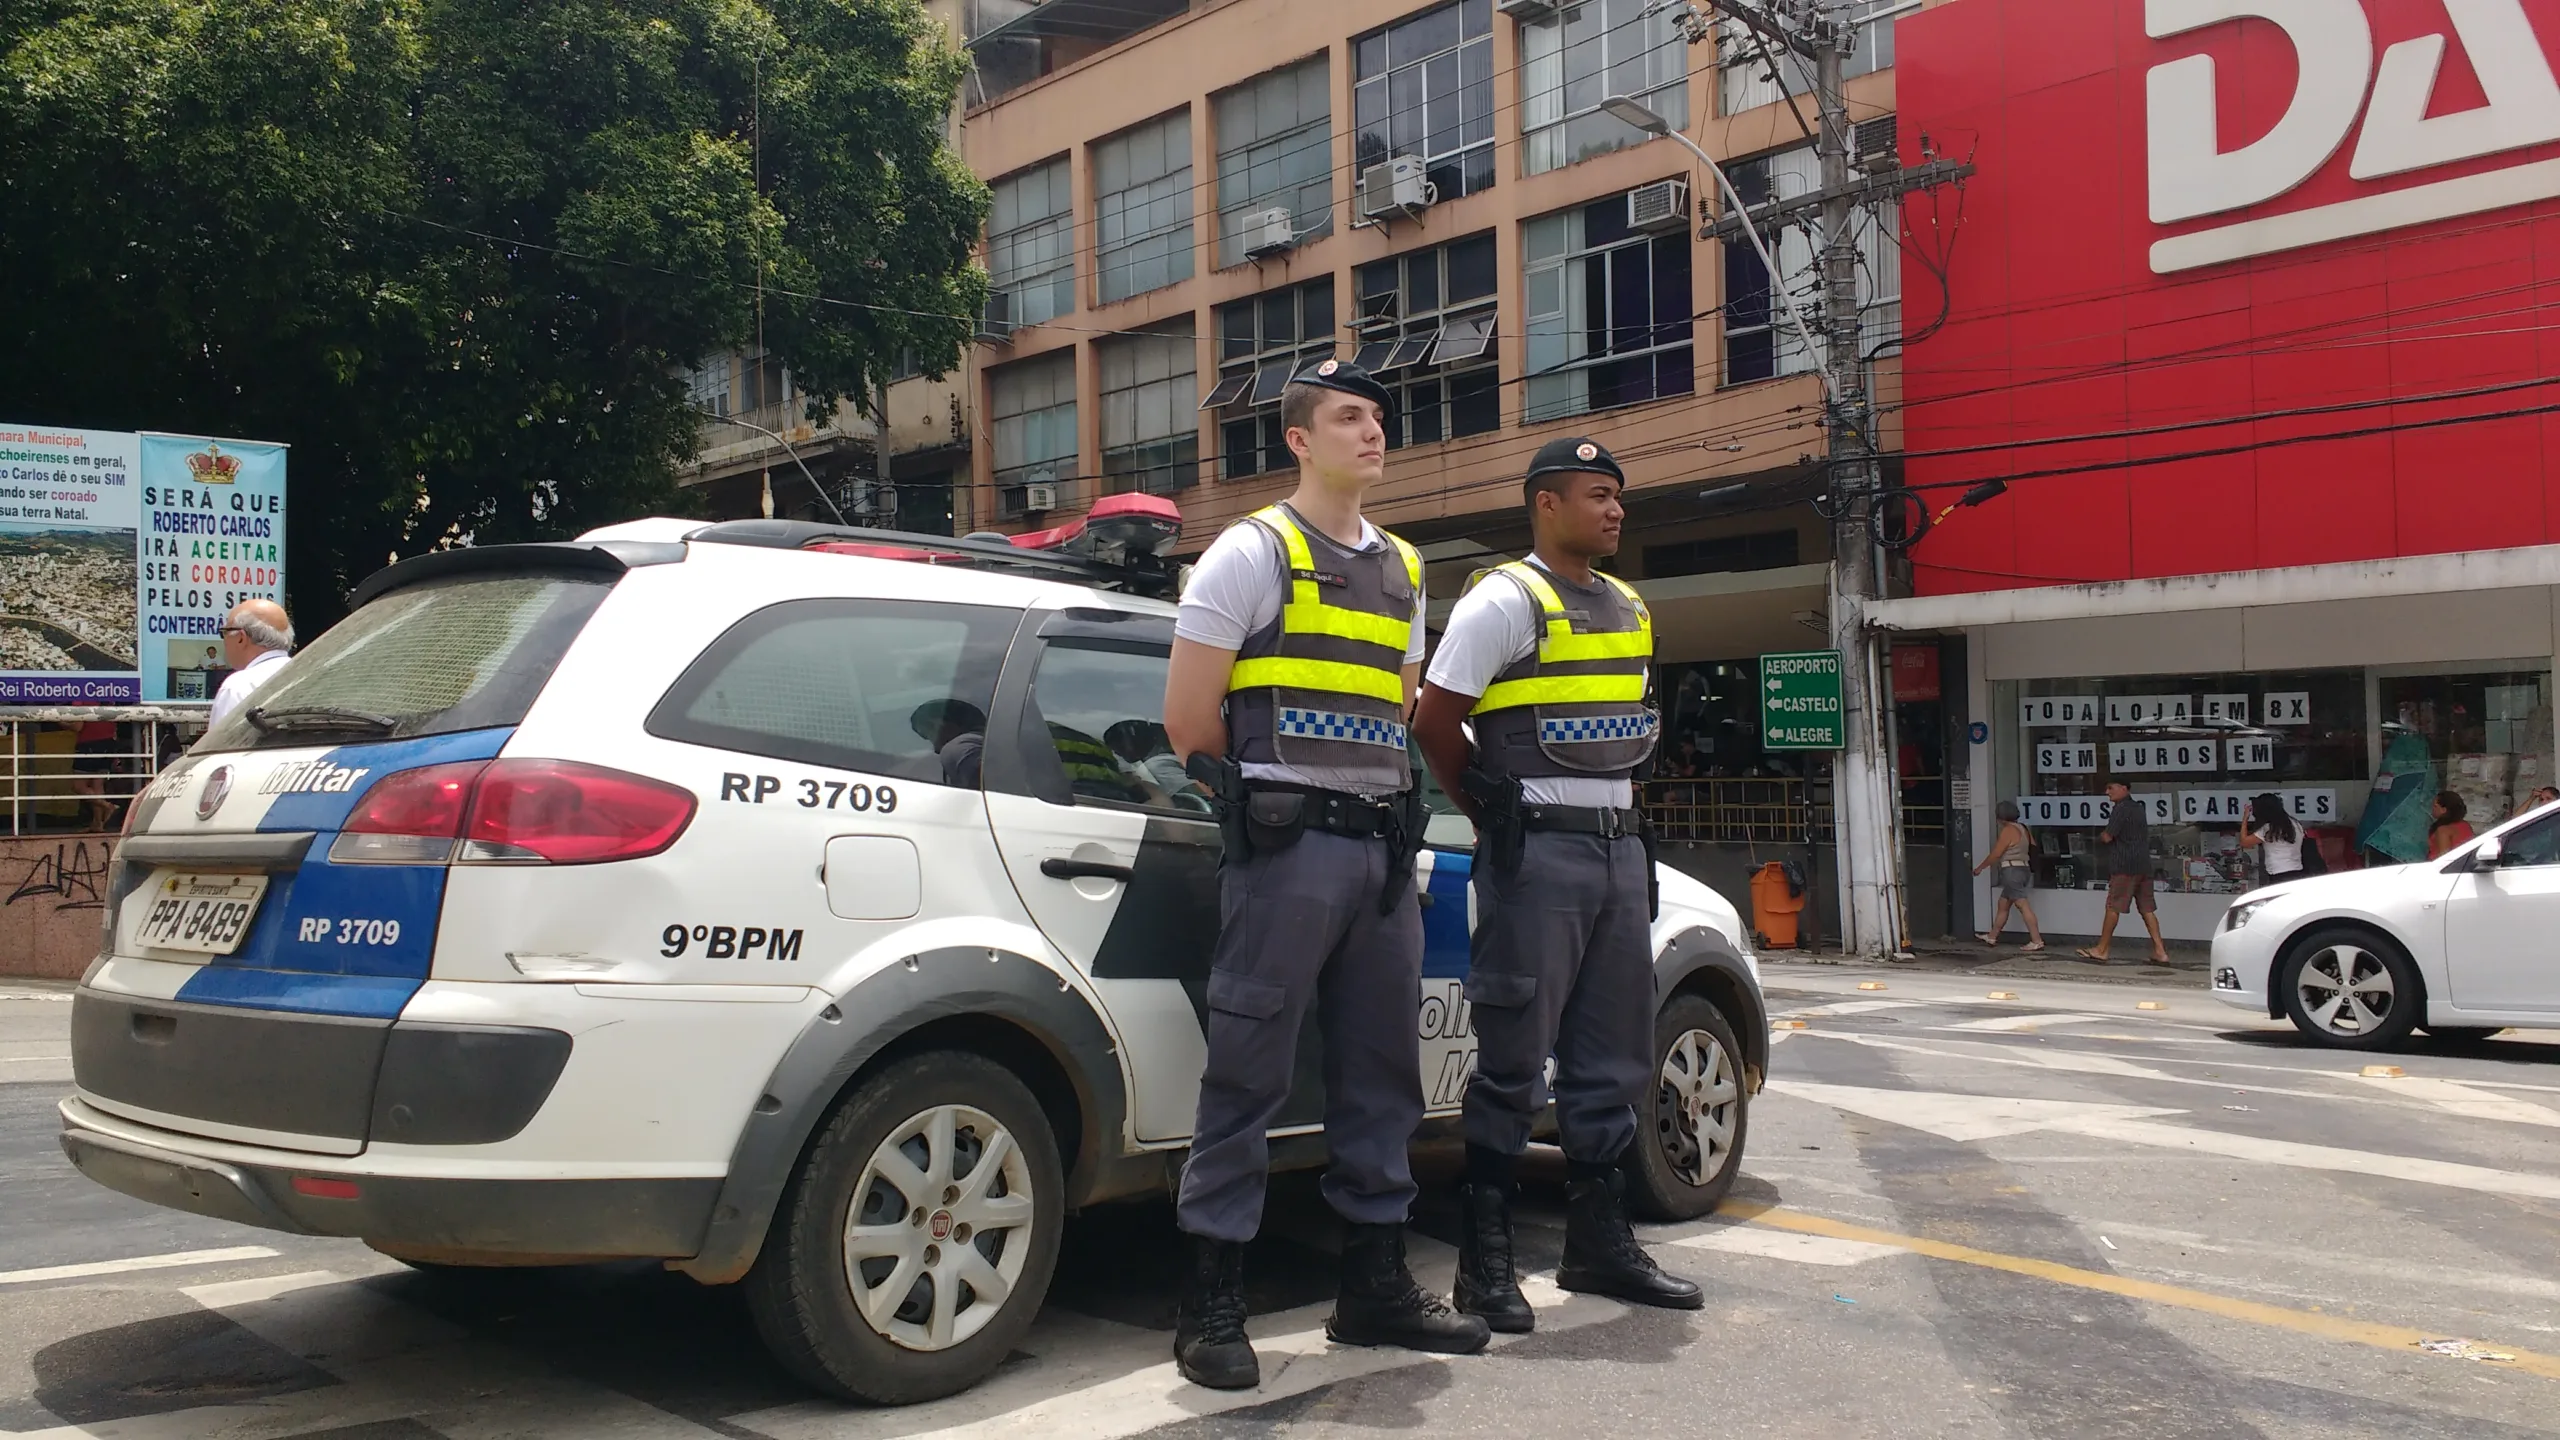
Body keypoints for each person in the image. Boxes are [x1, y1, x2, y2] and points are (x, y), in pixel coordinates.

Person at [1160, 357, 1487, 1390]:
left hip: (1381, 853)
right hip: (1287, 848)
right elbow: (1187, 724)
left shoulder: (1403, 567)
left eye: (1379, 418)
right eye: (1349, 417)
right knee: (1247, 1071)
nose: (1372, 432)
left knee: (1382, 1076)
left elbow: (1393, 710)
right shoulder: (1248, 554)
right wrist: (1270, 804)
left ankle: (1374, 1288)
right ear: (1297, 439)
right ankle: (1210, 1304)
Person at [1413, 437, 1704, 1335]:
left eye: (1618, 496)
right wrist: (1491, 809)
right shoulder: (1505, 601)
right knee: (1511, 1056)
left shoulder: (1629, 604)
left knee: (1612, 1056)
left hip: (1619, 852)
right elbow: (1434, 721)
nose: (1615, 510)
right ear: (1546, 503)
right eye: (1596, 495)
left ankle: (1597, 1243)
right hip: (1536, 853)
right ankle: (1485, 1260)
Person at [2081, 781, 2169, 965]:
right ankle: (2160, 951)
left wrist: (2095, 838)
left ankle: (2101, 949)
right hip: (2143, 864)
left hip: (2124, 865)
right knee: (2147, 909)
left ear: (2124, 788)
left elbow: (2108, 836)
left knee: (2113, 906)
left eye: (2110, 788)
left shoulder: (2120, 809)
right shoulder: (2138, 808)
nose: (2107, 792)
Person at [207, 600, 293, 730]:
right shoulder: (308, 675)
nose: (224, 641)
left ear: (241, 637)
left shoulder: (238, 686)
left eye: (224, 632)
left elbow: (220, 747)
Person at [1972, 800, 2044, 952]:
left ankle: (2036, 940)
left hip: (2012, 871)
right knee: (2003, 904)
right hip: (2023, 869)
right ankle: (1992, 936)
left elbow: (1996, 854)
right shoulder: (2024, 828)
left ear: (2000, 816)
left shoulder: (2008, 830)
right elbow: (2034, 848)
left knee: (2023, 906)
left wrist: (1980, 868)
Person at [909, 700, 986, 789]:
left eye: (927, 735)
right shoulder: (991, 744)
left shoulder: (958, 748)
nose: (936, 750)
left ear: (937, 725)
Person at [2238, 792, 2307, 889]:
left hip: (2279, 874)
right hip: (2297, 871)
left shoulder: (2269, 828)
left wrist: (2245, 818)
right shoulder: (2296, 824)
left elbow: (2244, 842)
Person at [2427, 790, 2475, 860]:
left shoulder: (2443, 831)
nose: (2432, 809)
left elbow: (2444, 859)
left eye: (2435, 806)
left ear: (2444, 810)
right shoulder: (2465, 825)